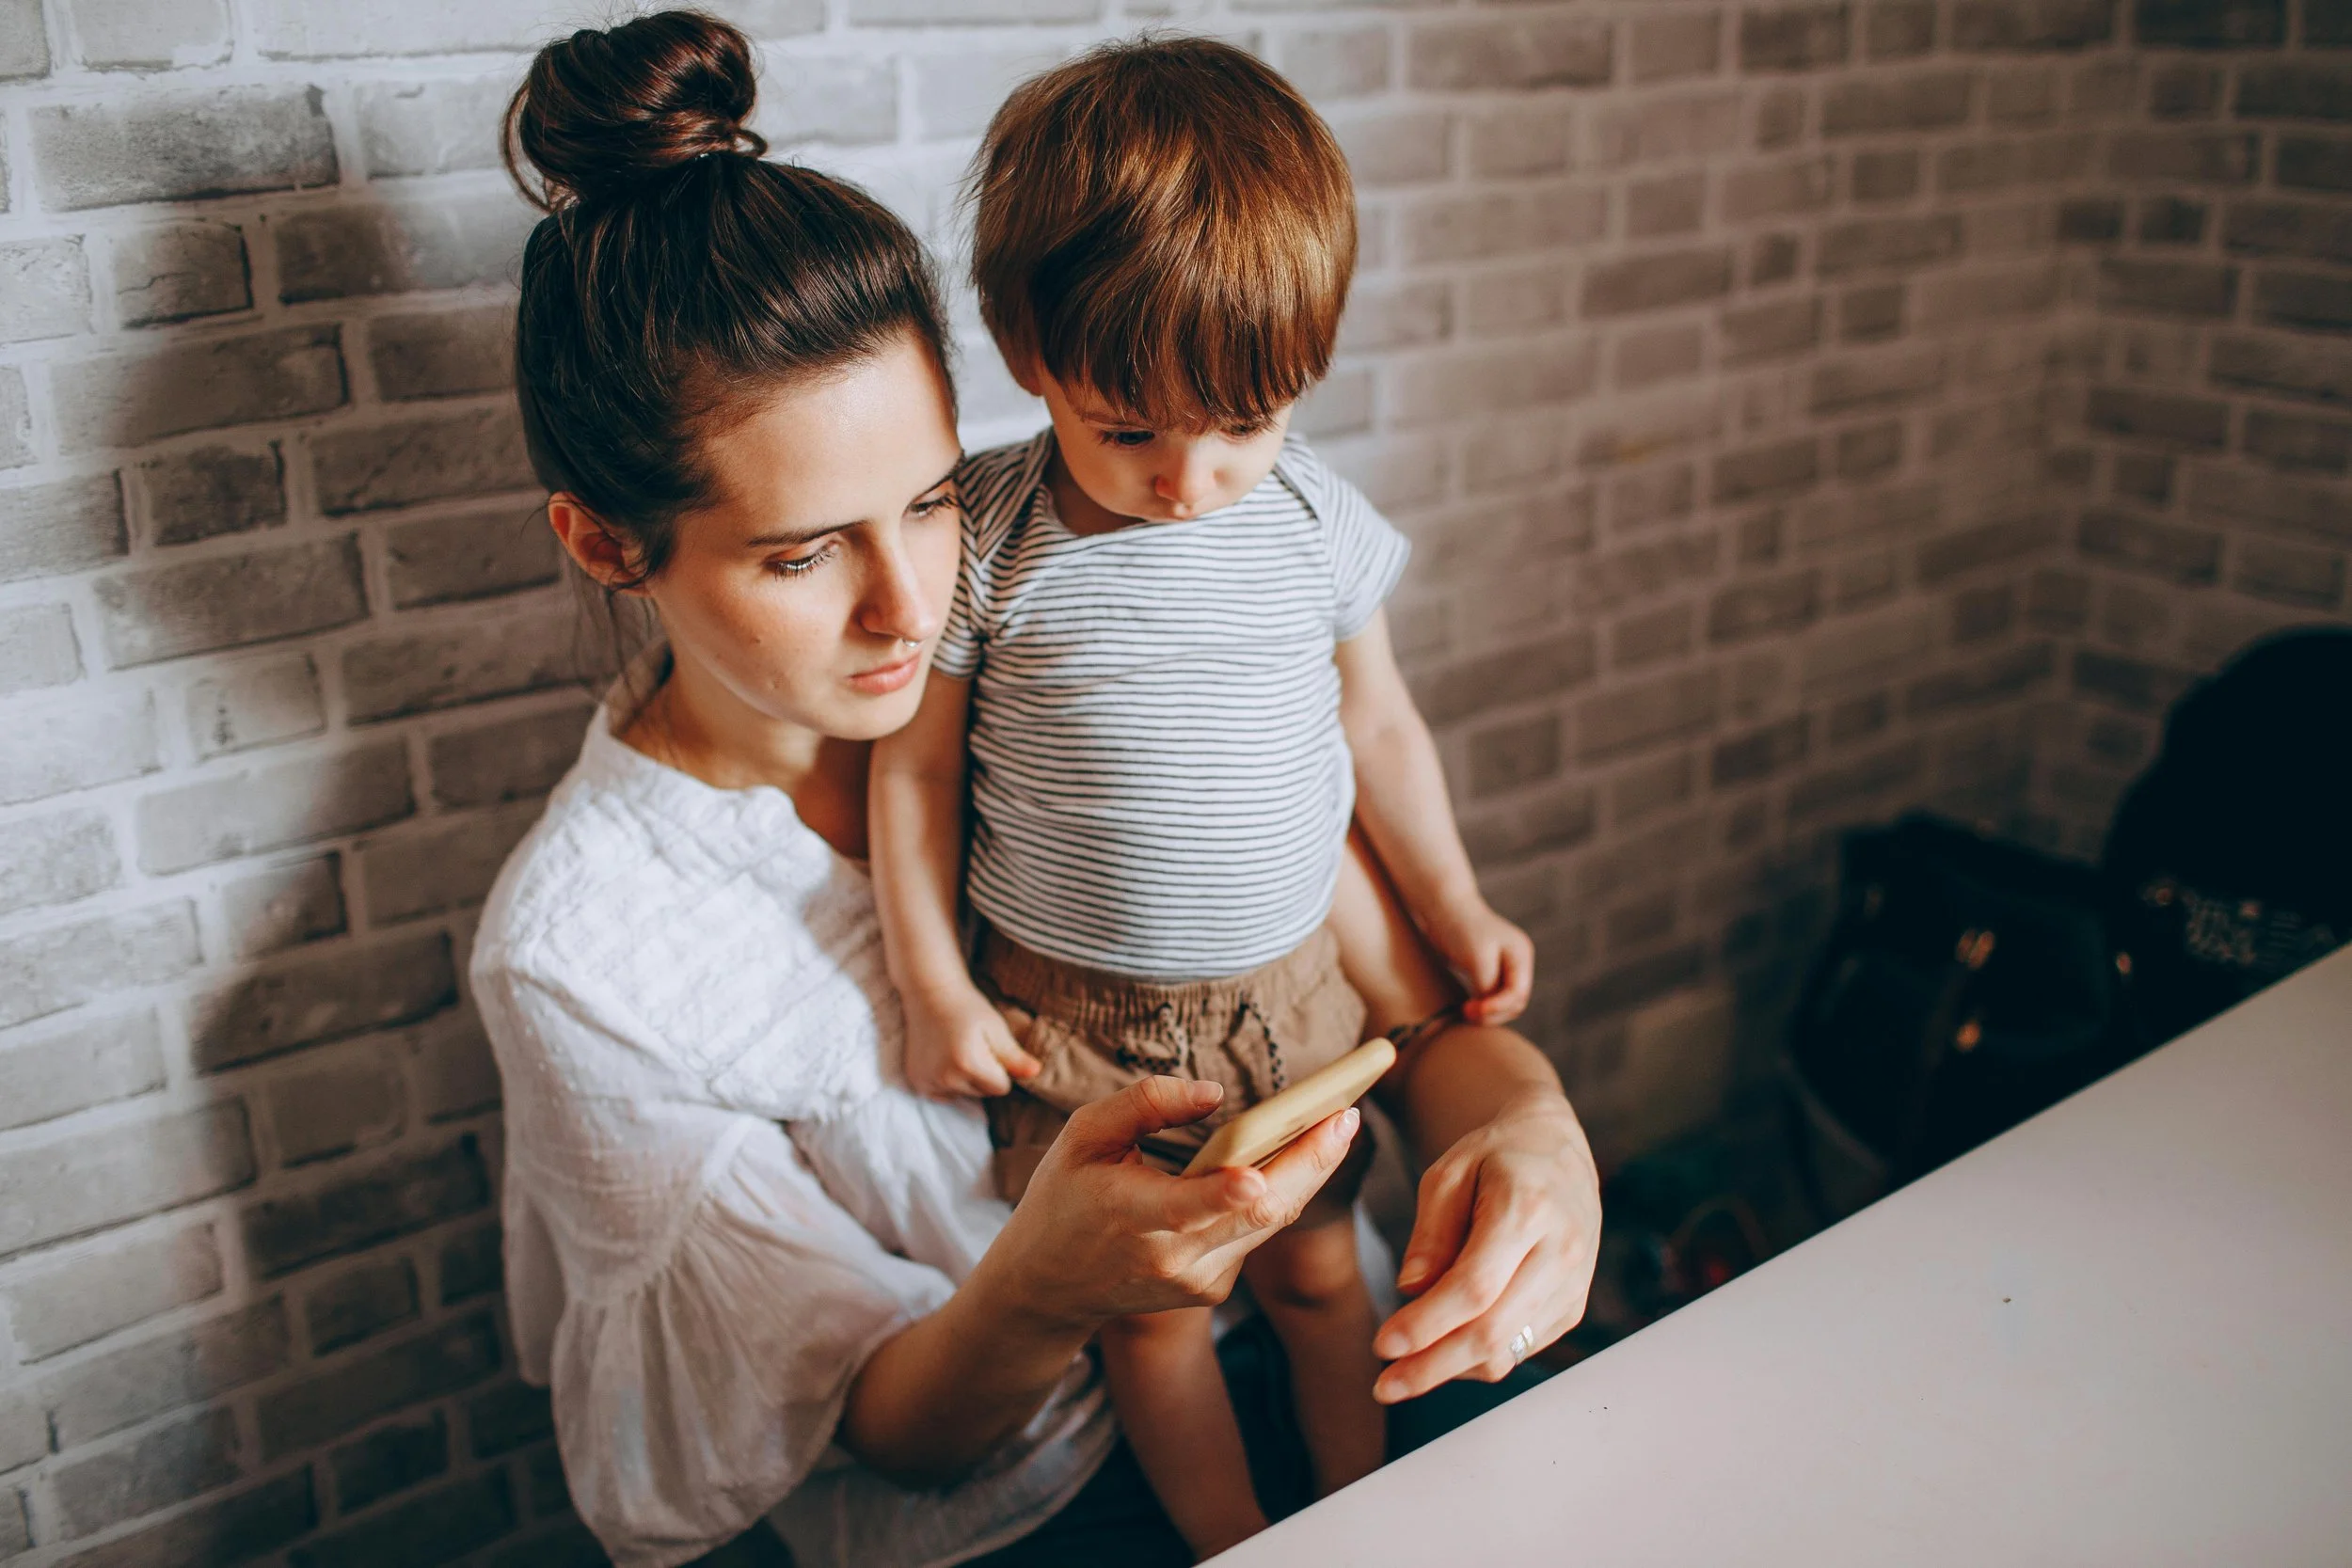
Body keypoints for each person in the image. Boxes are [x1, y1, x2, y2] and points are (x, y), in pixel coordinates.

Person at [471, 13, 1601, 1568]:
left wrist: (1537, 1125)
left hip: (1319, 1319)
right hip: (1023, 1503)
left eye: (934, 502)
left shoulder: (1117, 677)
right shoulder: (585, 955)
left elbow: (1405, 1014)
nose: (906, 605)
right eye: (804, 554)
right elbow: (888, 1432)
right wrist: (1056, 1277)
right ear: (609, 542)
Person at [867, 40, 1533, 1560]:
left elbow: (1383, 724)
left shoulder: (1310, 519)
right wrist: (927, 980)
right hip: (1077, 1021)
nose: (1188, 477)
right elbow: (909, 768)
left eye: (1244, 423)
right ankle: (1239, 1536)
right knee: (1153, 1317)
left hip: (1290, 1000)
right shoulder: (992, 532)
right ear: (1024, 347)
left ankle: (1365, 1508)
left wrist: (1456, 901)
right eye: (1131, 430)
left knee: (1315, 1275)